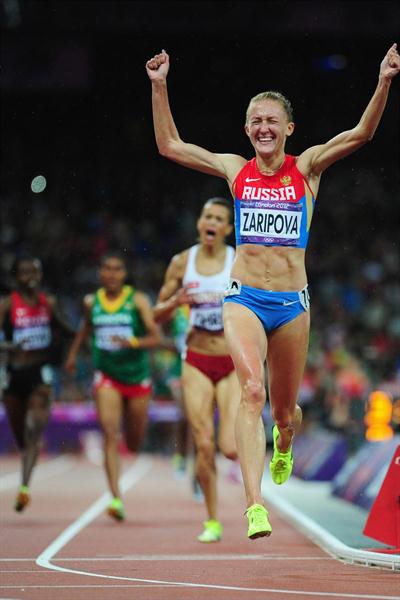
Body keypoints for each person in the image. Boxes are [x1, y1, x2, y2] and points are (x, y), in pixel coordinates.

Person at [146, 44, 400, 539]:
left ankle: (284, 441)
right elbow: (171, 146)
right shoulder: (233, 168)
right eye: (256, 120)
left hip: (291, 305)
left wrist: (384, 81)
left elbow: (363, 133)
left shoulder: (306, 169)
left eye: (273, 121)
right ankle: (254, 506)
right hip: (243, 300)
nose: (264, 127)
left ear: (289, 130)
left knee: (284, 412)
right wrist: (159, 86)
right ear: (246, 130)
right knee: (252, 391)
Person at [154, 197, 240, 542]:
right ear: (199, 223)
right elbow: (156, 316)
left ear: (228, 229)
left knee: (229, 448)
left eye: (219, 218)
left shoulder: (239, 261)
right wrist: (176, 302)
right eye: (207, 216)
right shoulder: (181, 263)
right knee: (203, 444)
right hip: (196, 359)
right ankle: (213, 520)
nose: (212, 222)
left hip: (232, 360)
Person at [65, 251, 161, 521]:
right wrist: (73, 354)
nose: (111, 274)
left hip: (137, 376)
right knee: (109, 432)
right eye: (106, 269)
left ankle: (127, 454)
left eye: (116, 269)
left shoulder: (137, 300)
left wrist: (132, 342)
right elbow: (85, 328)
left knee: (133, 442)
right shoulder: (91, 302)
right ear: (100, 273)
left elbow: (157, 337)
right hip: (107, 375)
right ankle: (115, 498)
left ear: (124, 274)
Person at [0, 256, 74, 512]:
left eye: (34, 271)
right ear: (16, 277)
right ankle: (28, 462)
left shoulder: (49, 304)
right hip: (14, 375)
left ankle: (24, 488)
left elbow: (67, 331)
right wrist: (9, 346)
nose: (29, 276)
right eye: (24, 272)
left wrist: (85, 335)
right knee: (22, 437)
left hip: (40, 374)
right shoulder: (7, 305)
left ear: (40, 275)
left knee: (33, 429)